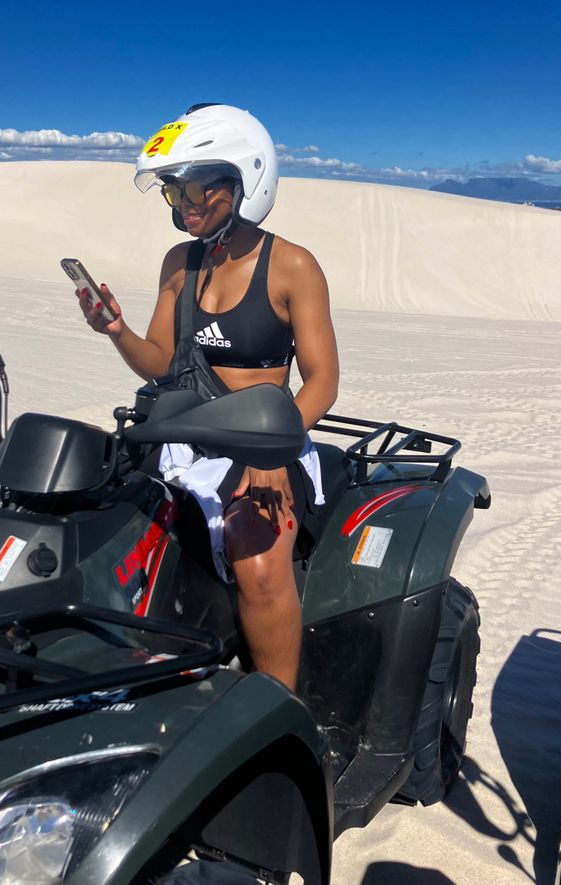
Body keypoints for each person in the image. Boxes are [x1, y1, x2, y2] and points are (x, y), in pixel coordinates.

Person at [78, 103, 339, 690]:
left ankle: (278, 709)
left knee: (258, 559)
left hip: (266, 441)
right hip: (183, 436)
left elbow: (322, 380)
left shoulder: (292, 266)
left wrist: (271, 452)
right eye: (176, 190)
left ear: (247, 179)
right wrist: (116, 330)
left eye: (198, 186)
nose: (186, 202)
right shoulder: (181, 262)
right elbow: (163, 364)